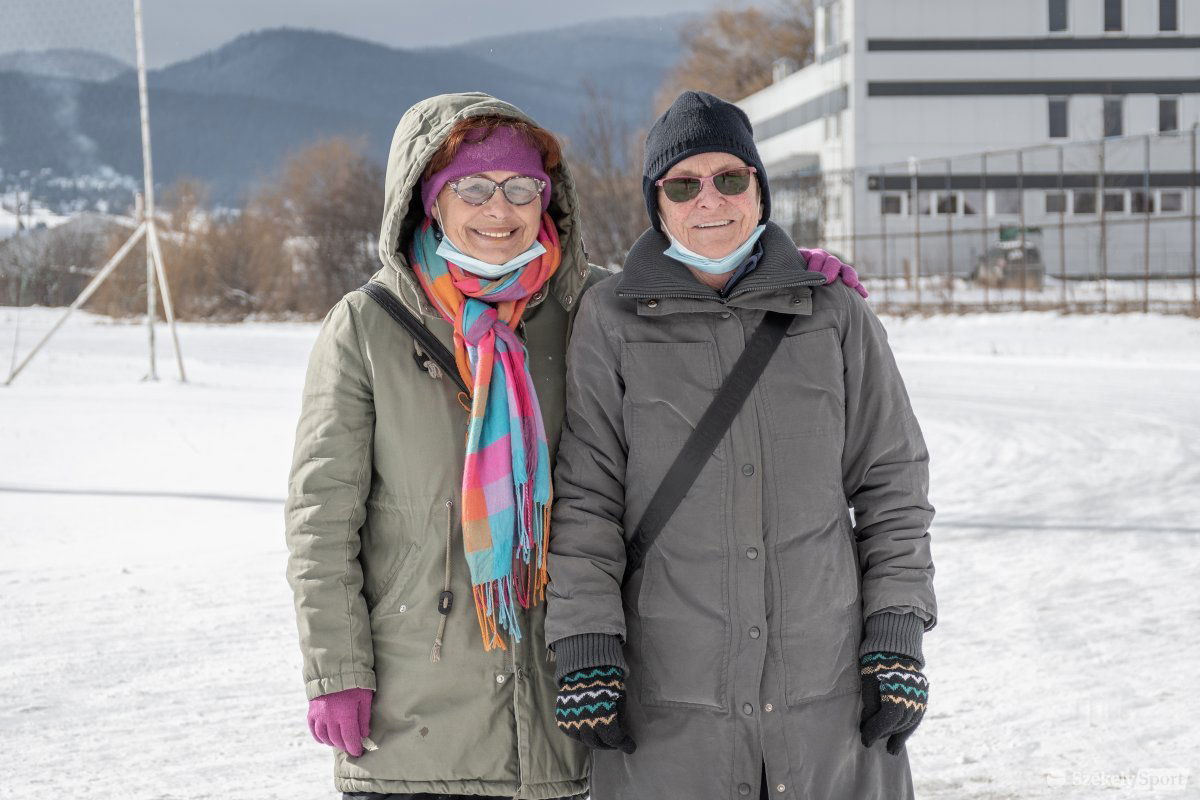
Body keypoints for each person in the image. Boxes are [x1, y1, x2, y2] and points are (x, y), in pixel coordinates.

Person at [283, 91, 867, 799]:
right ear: (429, 200)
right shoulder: (366, 327)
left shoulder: (590, 308)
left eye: (521, 187)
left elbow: (699, 285)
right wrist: (336, 673)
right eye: (472, 187)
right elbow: (321, 522)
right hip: (419, 720)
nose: (499, 210)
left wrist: (783, 271)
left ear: (546, 198)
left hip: (572, 714)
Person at [543, 90, 937, 800]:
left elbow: (893, 484)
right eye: (683, 184)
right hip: (672, 701)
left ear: (760, 190)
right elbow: (587, 496)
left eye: (730, 178)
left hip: (826, 696)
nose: (710, 201)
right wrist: (586, 643)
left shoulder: (832, 313)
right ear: (656, 203)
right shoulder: (610, 319)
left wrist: (897, 629)